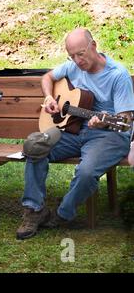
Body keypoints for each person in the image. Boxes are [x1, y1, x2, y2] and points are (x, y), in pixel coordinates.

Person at [16, 28, 134, 240]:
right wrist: (50, 98)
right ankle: (35, 211)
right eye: (72, 56)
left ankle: (63, 214)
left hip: (110, 135)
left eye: (81, 54)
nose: (77, 61)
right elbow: (47, 77)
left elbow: (125, 122)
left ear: (94, 46)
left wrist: (103, 123)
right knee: (36, 149)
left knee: (87, 172)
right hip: (75, 128)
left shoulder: (118, 75)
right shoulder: (73, 67)